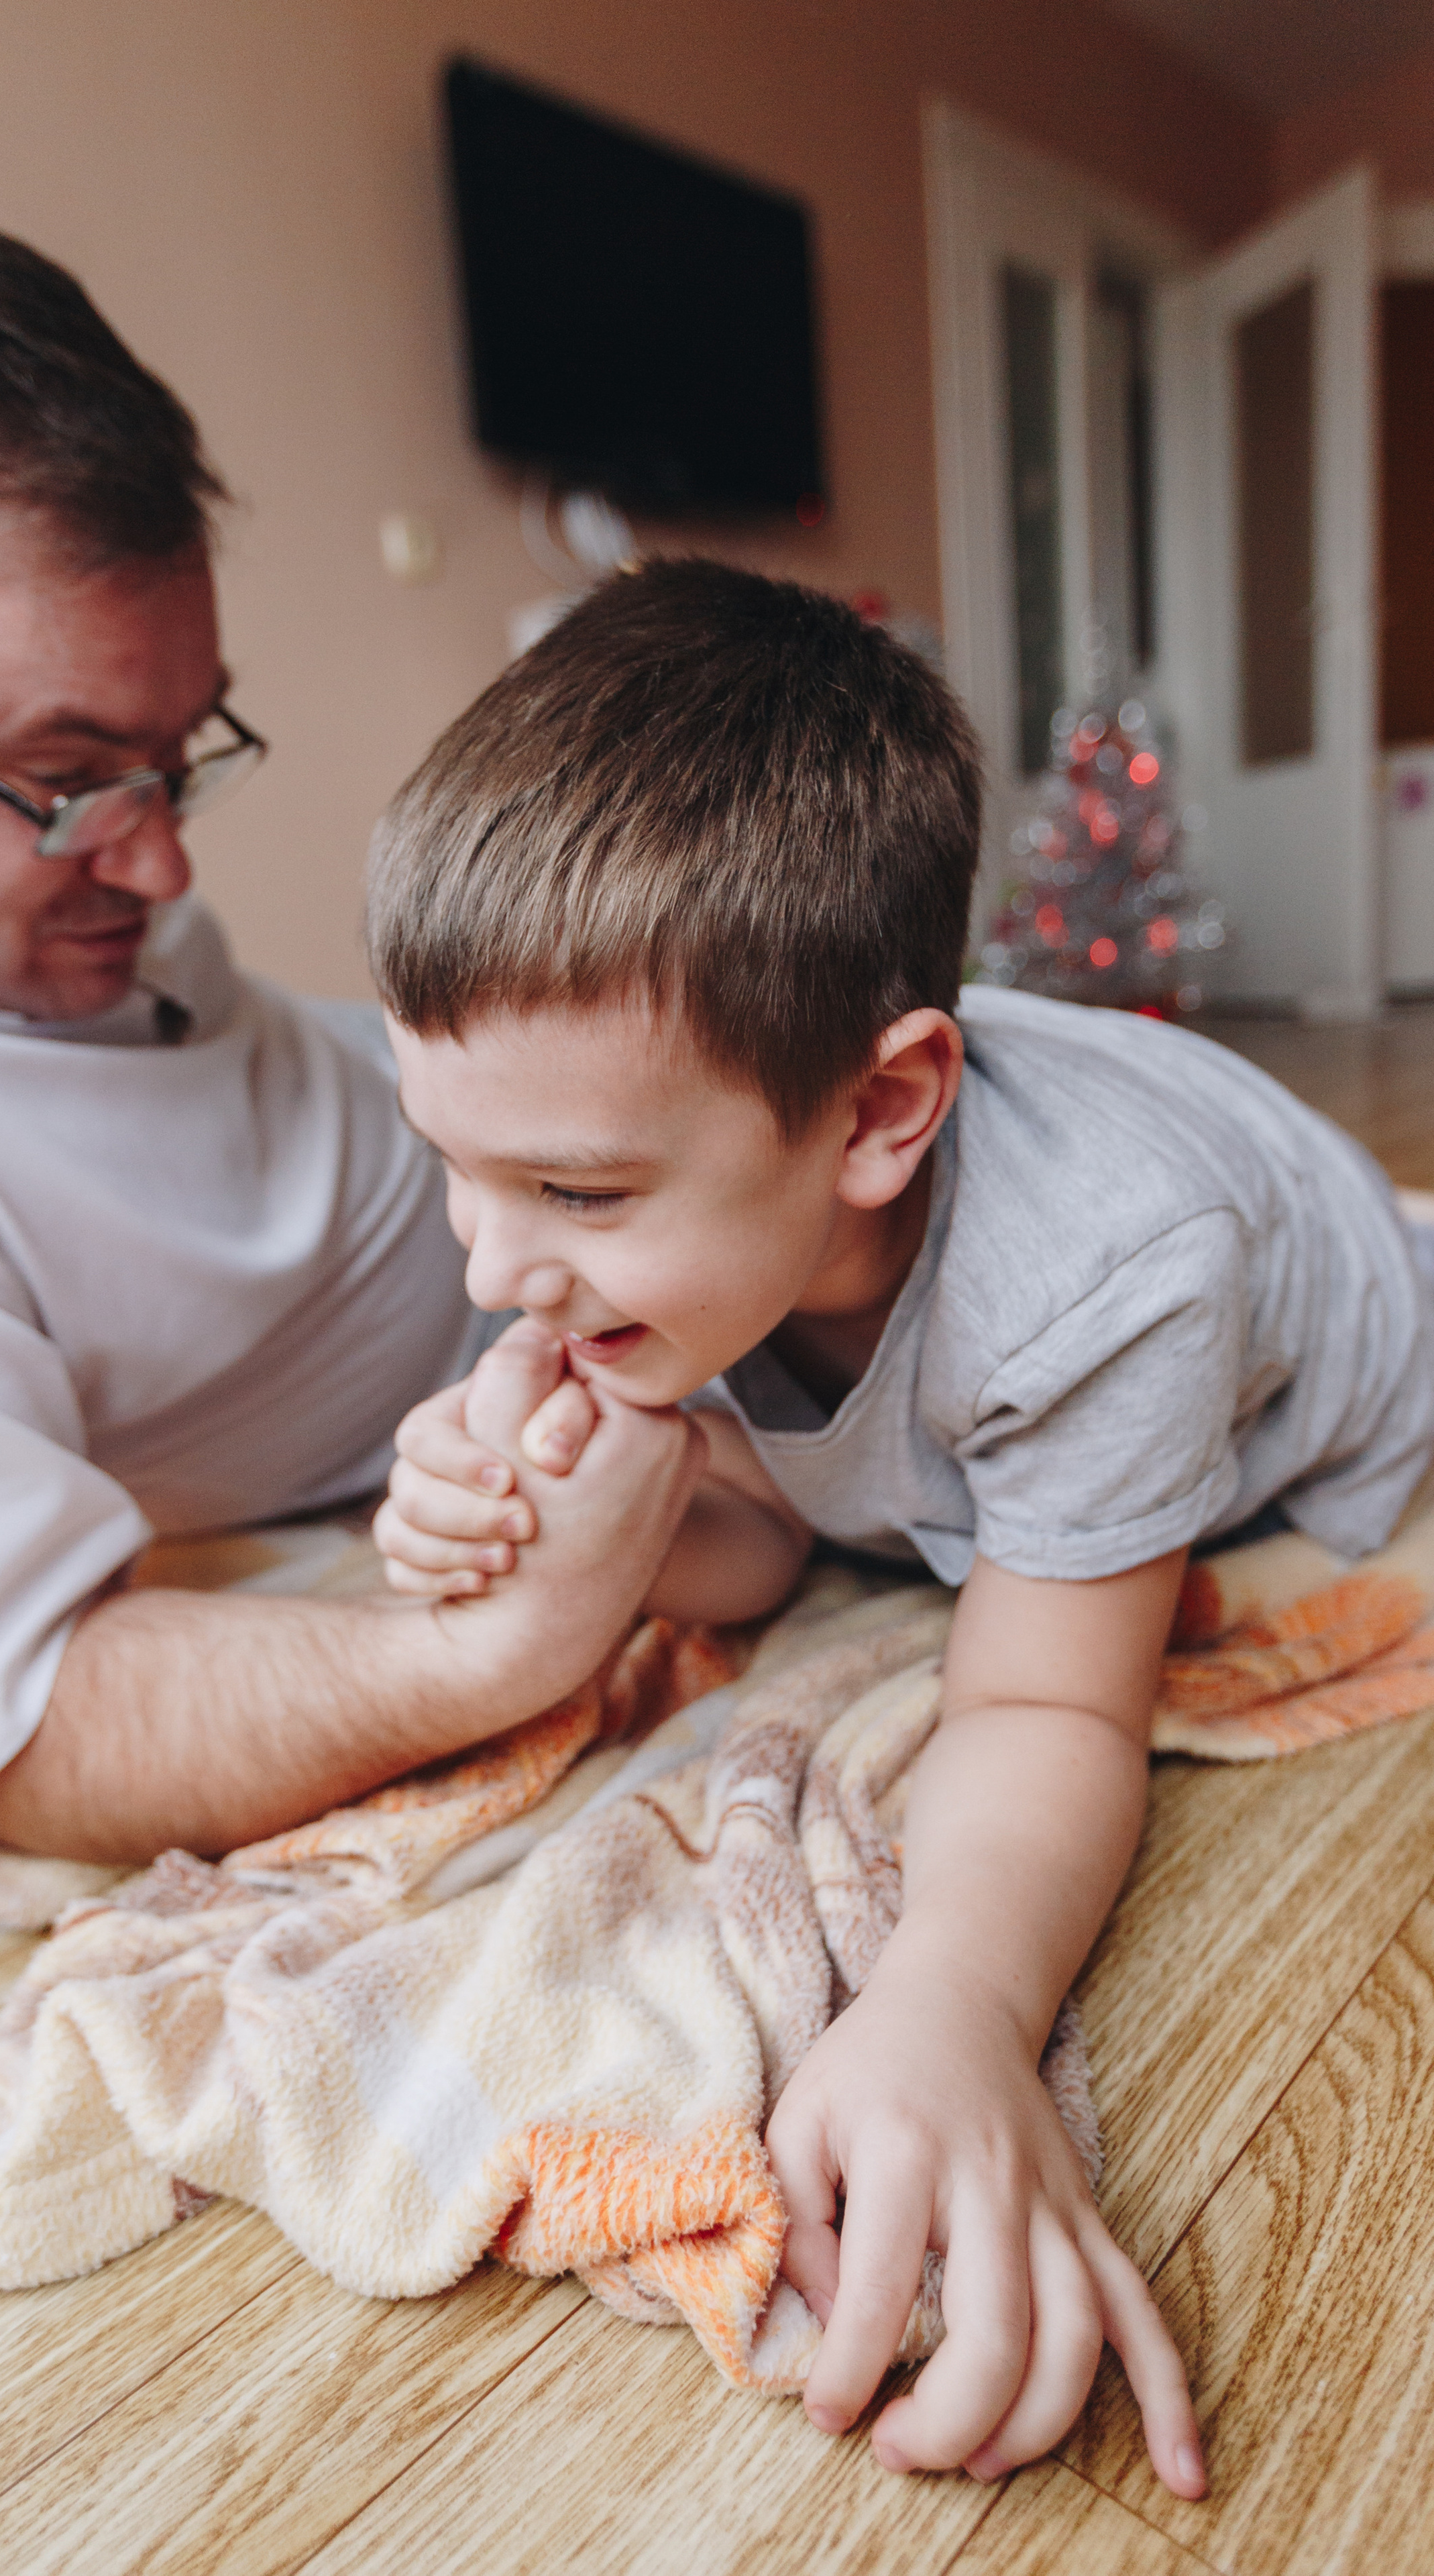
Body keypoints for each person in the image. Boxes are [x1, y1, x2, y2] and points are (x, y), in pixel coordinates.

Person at [365, 558, 1434, 2493]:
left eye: (573, 1195)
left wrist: (953, 2004)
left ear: (878, 1115)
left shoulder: (1106, 1274)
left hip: (1336, 1348)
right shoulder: (664, 1199)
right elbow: (767, 1546)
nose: (490, 1264)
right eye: (452, 1161)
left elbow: (1044, 1705)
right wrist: (572, 1509)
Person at [0, 154, 699, 1866]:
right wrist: (490, 1656)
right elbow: (17, 1718)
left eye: (179, 758)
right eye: (64, 778)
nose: (163, 864)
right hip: (558, 1333)